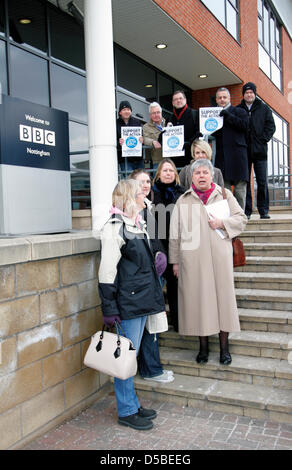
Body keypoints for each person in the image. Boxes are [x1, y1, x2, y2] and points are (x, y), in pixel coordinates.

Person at [98, 179, 165, 430]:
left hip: (140, 300)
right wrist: (109, 308)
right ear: (127, 198)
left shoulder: (135, 224)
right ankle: (126, 410)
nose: (143, 197)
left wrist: (156, 258)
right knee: (125, 358)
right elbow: (106, 272)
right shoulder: (115, 227)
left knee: (131, 356)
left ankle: (132, 404)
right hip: (126, 303)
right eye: (139, 194)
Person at [169, 159, 247, 365]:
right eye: (197, 173)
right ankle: (203, 349)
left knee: (224, 302)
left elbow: (241, 219)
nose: (201, 176)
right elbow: (175, 234)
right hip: (193, 261)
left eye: (205, 172)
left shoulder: (224, 195)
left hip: (221, 260)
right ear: (191, 177)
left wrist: (222, 223)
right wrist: (175, 261)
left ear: (212, 175)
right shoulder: (183, 200)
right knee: (198, 303)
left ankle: (224, 349)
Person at [129, 169, 174, 383]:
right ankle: (151, 370)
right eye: (141, 182)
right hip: (143, 278)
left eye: (148, 181)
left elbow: (156, 240)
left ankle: (153, 368)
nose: (146, 185)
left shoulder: (149, 207)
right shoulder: (131, 211)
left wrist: (162, 257)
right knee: (148, 326)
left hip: (156, 274)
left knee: (154, 324)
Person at [152, 159, 185, 332]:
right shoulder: (151, 193)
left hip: (175, 246)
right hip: (157, 246)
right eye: (165, 170)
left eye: (171, 170)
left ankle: (178, 322)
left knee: (174, 287)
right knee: (156, 287)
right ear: (158, 173)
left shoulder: (182, 193)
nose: (168, 173)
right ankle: (156, 326)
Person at [237, 82, 276, 219]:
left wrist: (263, 139)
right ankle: (247, 211)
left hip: (260, 151)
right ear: (244, 95)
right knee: (245, 181)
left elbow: (271, 126)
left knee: (262, 181)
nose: (249, 94)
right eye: (246, 92)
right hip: (244, 151)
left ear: (255, 94)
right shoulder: (238, 109)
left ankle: (263, 210)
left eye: (251, 92)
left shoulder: (264, 109)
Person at [212, 87, 249, 210]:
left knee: (239, 191)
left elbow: (245, 126)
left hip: (238, 156)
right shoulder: (213, 116)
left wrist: (228, 116)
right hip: (222, 157)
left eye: (224, 97)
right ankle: (226, 218)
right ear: (216, 100)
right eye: (219, 97)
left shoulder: (240, 111)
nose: (222, 100)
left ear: (229, 98)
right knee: (224, 191)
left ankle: (240, 218)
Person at [167, 90, 200, 168]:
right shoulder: (170, 118)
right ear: (173, 103)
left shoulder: (195, 114)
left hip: (191, 155)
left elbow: (199, 132)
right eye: (175, 99)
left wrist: (189, 143)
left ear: (185, 100)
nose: (178, 100)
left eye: (180, 98)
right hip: (175, 157)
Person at [116, 100, 144, 175]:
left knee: (140, 180)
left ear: (131, 111)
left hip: (138, 158)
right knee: (129, 182)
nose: (126, 111)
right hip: (125, 160)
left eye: (128, 109)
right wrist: (119, 143)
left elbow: (142, 136)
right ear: (120, 112)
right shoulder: (115, 124)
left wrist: (142, 139)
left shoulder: (137, 122)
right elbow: (112, 142)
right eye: (124, 110)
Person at [142, 102, 166, 172]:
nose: (156, 115)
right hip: (157, 160)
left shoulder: (169, 122)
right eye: (153, 113)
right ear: (150, 115)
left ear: (161, 113)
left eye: (158, 112)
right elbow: (144, 139)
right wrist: (152, 142)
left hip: (172, 159)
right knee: (157, 182)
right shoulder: (146, 127)